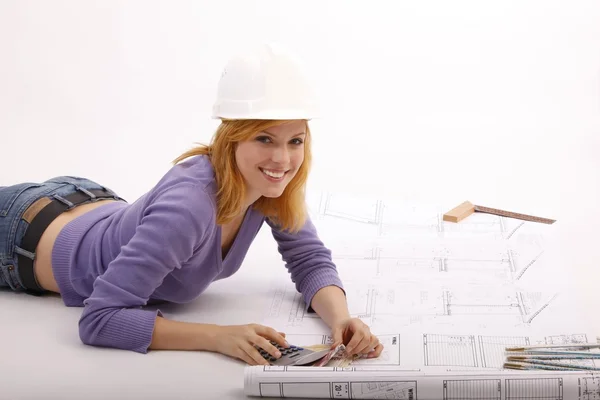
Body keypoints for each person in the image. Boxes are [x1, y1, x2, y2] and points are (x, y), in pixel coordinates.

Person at [0, 43, 383, 365]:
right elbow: (100, 319)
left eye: (295, 141)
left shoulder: (269, 188)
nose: (283, 160)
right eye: (265, 139)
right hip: (19, 235)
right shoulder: (191, 205)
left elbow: (309, 260)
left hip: (87, 200)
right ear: (231, 139)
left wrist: (342, 319)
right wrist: (218, 337)